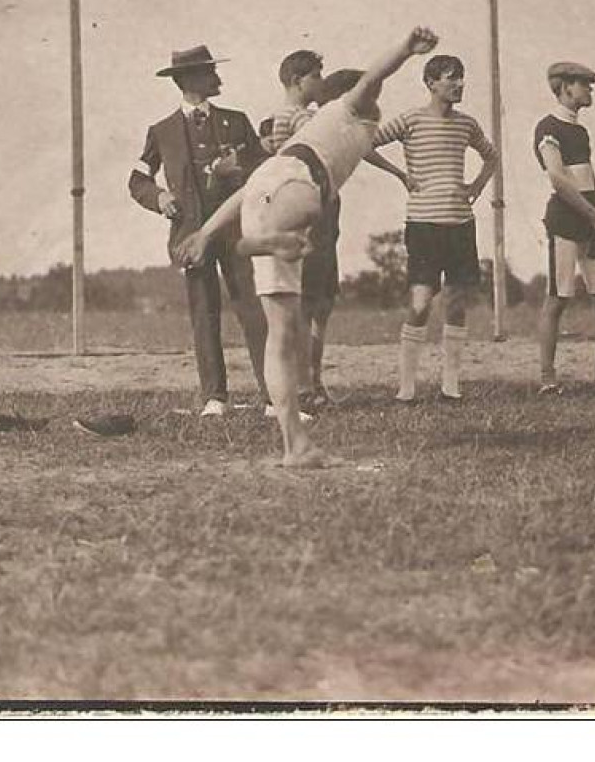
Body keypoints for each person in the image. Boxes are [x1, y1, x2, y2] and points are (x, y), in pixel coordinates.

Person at [176, 26, 442, 466]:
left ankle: (294, 445)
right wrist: (406, 50)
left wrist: (207, 233)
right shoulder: (348, 112)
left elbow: (246, 192)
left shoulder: (322, 131)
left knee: (282, 335)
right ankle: (263, 240)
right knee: (315, 201)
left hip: (262, 195)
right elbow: (373, 79)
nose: (377, 106)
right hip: (293, 187)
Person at [127, 45, 270, 417]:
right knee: (204, 313)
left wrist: (237, 166)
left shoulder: (237, 121)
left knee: (253, 309)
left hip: (237, 231)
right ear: (187, 80)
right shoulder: (161, 132)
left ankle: (274, 397)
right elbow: (137, 180)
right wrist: (159, 198)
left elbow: (262, 165)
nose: (217, 78)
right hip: (191, 237)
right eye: (209, 72)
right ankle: (214, 398)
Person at [264, 49, 408, 411]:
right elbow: (338, 146)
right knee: (305, 301)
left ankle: (313, 382)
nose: (320, 81)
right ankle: (304, 385)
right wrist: (396, 171)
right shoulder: (293, 117)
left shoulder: (306, 116)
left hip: (323, 209)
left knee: (320, 300)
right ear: (298, 80)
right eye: (316, 75)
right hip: (305, 210)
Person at [372, 55, 501, 403]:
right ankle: (407, 388)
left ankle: (451, 386)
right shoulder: (410, 120)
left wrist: (476, 186)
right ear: (430, 82)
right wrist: (400, 174)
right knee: (420, 302)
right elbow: (366, 144)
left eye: (462, 78)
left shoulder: (467, 124)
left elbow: (492, 156)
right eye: (450, 78)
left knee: (457, 303)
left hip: (460, 223)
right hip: (424, 224)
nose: (458, 84)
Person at [534, 61, 595, 394]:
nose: (589, 91)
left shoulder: (581, 131)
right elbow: (559, 179)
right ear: (565, 87)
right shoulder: (547, 127)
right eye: (584, 84)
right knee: (558, 298)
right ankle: (547, 377)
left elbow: (591, 179)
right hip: (565, 222)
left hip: (591, 223)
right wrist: (592, 215)